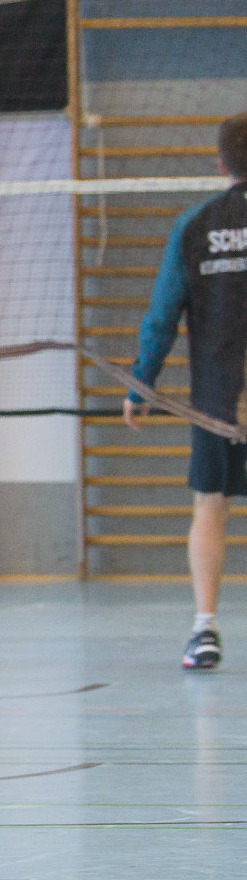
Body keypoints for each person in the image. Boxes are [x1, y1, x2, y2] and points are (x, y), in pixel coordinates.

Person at [125, 112, 247, 671]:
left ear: (221, 164)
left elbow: (161, 316)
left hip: (219, 398)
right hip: (220, 400)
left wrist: (141, 383)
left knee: (209, 504)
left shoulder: (194, 226)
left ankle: (204, 631)